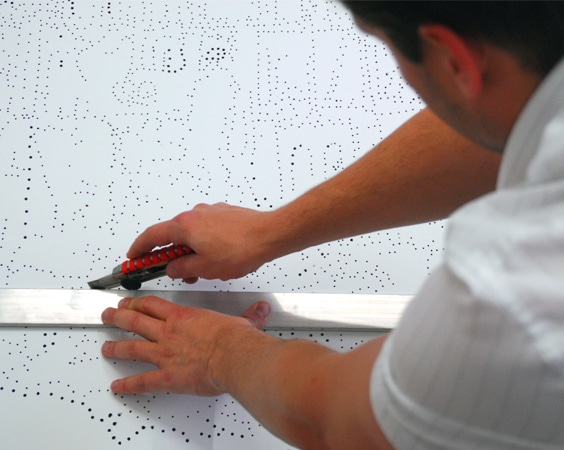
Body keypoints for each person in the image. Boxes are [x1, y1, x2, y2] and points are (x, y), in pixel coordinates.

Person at [101, 2, 564, 449]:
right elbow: (508, 118)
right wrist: (271, 231)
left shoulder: (515, 300)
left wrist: (221, 353)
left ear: (453, 57)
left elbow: (348, 425)